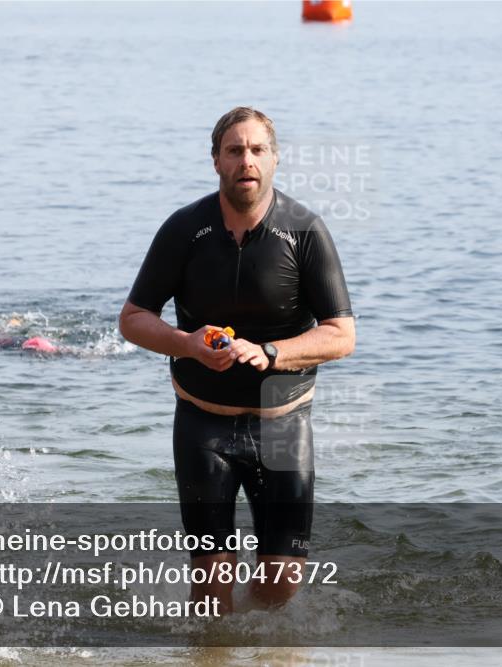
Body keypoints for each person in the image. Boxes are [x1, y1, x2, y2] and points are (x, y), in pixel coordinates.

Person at [119, 107, 356, 613]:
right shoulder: (184, 230)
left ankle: (251, 638)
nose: (246, 160)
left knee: (282, 582)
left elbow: (341, 335)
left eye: (256, 150)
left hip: (283, 426)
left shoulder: (306, 231)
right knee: (211, 586)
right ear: (216, 161)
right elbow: (133, 318)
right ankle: (214, 642)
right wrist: (187, 343)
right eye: (234, 150)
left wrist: (271, 353)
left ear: (274, 160)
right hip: (203, 426)